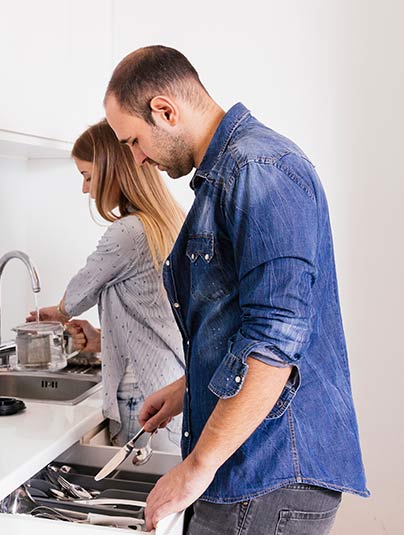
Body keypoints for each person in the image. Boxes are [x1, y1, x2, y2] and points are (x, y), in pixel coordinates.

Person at [103, 45, 369, 533]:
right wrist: (187, 390)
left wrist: (196, 469)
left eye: (134, 140)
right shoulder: (228, 176)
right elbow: (242, 327)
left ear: (165, 110)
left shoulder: (257, 170)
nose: (136, 159)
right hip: (253, 465)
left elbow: (273, 345)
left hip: (267, 469)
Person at [27, 119, 185, 451]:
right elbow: (152, 315)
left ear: (112, 169)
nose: (85, 189)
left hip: (142, 391)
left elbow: (77, 295)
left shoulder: (128, 232)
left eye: (87, 176)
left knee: (137, 499)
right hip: (170, 382)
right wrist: (101, 340)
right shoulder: (165, 222)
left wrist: (52, 315)